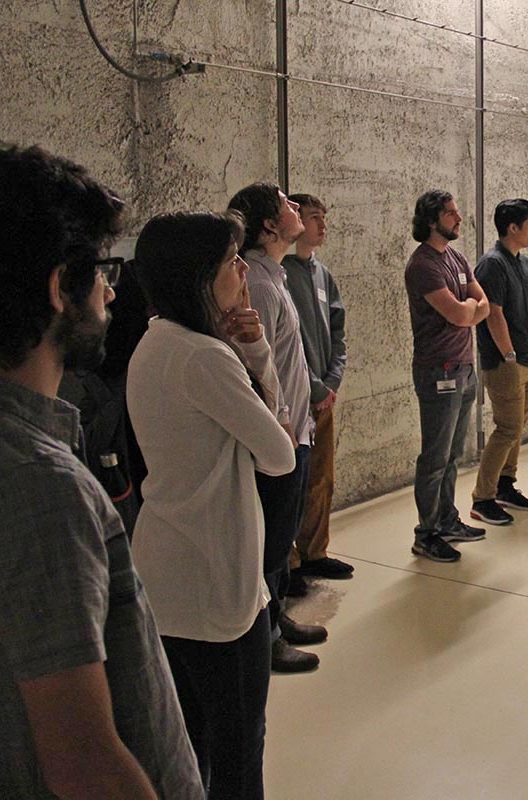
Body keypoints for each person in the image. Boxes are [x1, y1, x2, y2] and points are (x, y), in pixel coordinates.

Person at [0, 136, 203, 798]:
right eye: (101, 270)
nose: (111, 291)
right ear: (60, 288)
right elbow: (84, 763)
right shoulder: (36, 484)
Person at [128, 212, 295, 799]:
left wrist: (247, 347)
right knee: (238, 749)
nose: (244, 270)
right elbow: (279, 452)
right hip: (218, 574)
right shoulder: (204, 355)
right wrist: (252, 353)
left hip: (167, 568)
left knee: (188, 743)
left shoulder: (154, 340)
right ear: (198, 277)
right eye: (231, 261)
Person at [229, 183, 328, 672]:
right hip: (280, 435)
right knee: (271, 541)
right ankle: (265, 639)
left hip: (296, 428)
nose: (298, 211)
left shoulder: (275, 277)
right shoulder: (262, 286)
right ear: (268, 226)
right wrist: (281, 426)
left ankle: (278, 616)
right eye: (289, 207)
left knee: (283, 534)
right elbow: (253, 369)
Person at [404, 189, 490, 562]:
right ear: (431, 219)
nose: (458, 219)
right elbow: (459, 315)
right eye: (451, 214)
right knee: (435, 457)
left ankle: (447, 519)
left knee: (453, 453)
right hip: (438, 370)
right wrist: (469, 309)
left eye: (457, 212)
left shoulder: (455, 257)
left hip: (464, 368)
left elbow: (481, 305)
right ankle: (426, 533)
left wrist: (468, 308)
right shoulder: (423, 265)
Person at [282, 193, 354, 590]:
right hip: (296, 395)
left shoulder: (322, 274)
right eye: (313, 217)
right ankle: (288, 561)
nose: (322, 225)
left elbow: (337, 332)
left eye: (324, 217)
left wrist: (331, 383)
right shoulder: (282, 274)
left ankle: (315, 552)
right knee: (295, 479)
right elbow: (288, 344)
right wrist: (312, 387)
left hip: (324, 394)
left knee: (322, 477)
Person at [470, 199, 528, 526]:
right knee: (507, 429)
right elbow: (493, 316)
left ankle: (505, 484)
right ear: (512, 227)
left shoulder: (524, 263)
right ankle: (482, 499)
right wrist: (510, 357)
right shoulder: (492, 265)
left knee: (516, 428)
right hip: (506, 365)